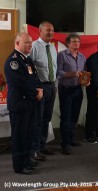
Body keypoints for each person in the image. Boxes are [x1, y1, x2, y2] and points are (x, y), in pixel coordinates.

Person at [4, 32, 43, 175]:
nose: (30, 45)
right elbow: (21, 83)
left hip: (30, 103)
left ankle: (26, 160)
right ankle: (20, 166)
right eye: (26, 42)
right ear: (17, 43)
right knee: (20, 136)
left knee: (28, 134)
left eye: (31, 43)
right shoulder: (13, 61)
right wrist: (36, 93)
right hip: (20, 104)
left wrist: (40, 89)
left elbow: (35, 77)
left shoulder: (26, 60)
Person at [30, 21, 57, 160]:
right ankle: (34, 150)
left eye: (52, 30)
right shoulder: (34, 46)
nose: (50, 33)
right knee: (38, 119)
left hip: (52, 86)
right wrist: (36, 87)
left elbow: (54, 67)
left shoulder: (52, 47)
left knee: (46, 118)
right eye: (47, 30)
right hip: (40, 86)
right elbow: (29, 68)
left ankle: (42, 146)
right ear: (40, 31)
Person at [57, 33, 86, 154]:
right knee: (66, 117)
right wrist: (72, 74)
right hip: (66, 89)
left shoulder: (82, 57)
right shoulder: (62, 55)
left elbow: (83, 72)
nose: (76, 44)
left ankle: (71, 138)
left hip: (78, 89)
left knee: (74, 116)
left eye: (78, 41)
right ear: (68, 43)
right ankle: (65, 144)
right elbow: (58, 72)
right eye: (74, 42)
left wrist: (86, 80)